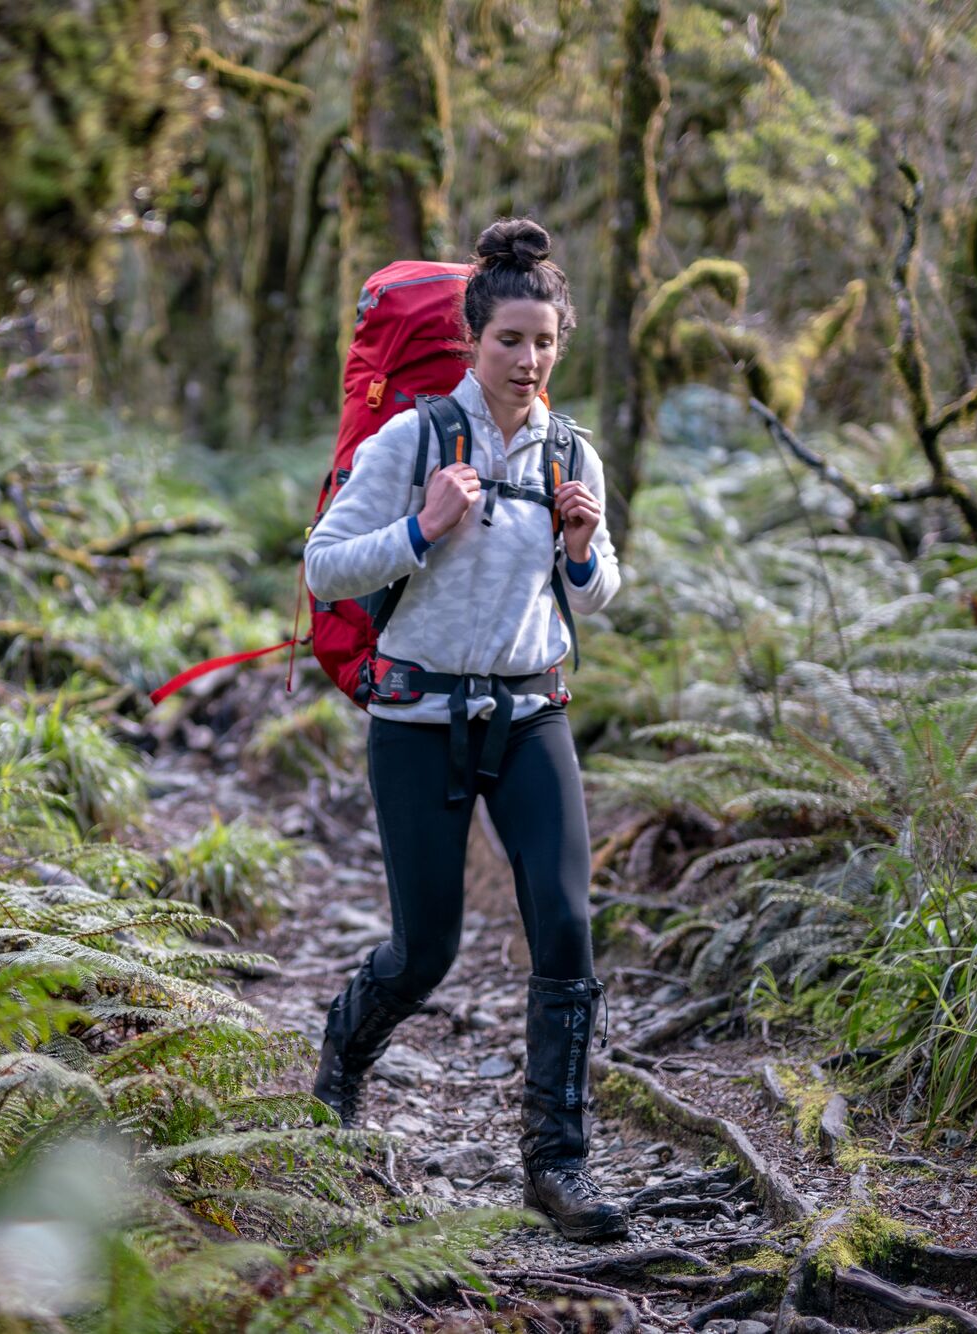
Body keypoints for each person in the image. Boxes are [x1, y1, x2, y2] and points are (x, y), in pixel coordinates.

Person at [301, 217, 628, 1243]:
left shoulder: (573, 450)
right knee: (426, 948)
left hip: (530, 710)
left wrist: (579, 548)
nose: (526, 361)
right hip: (416, 714)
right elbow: (324, 564)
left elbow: (601, 589)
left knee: (565, 926)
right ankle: (342, 1059)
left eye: (542, 343)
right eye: (507, 342)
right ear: (471, 338)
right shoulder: (414, 441)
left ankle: (556, 1166)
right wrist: (419, 527)